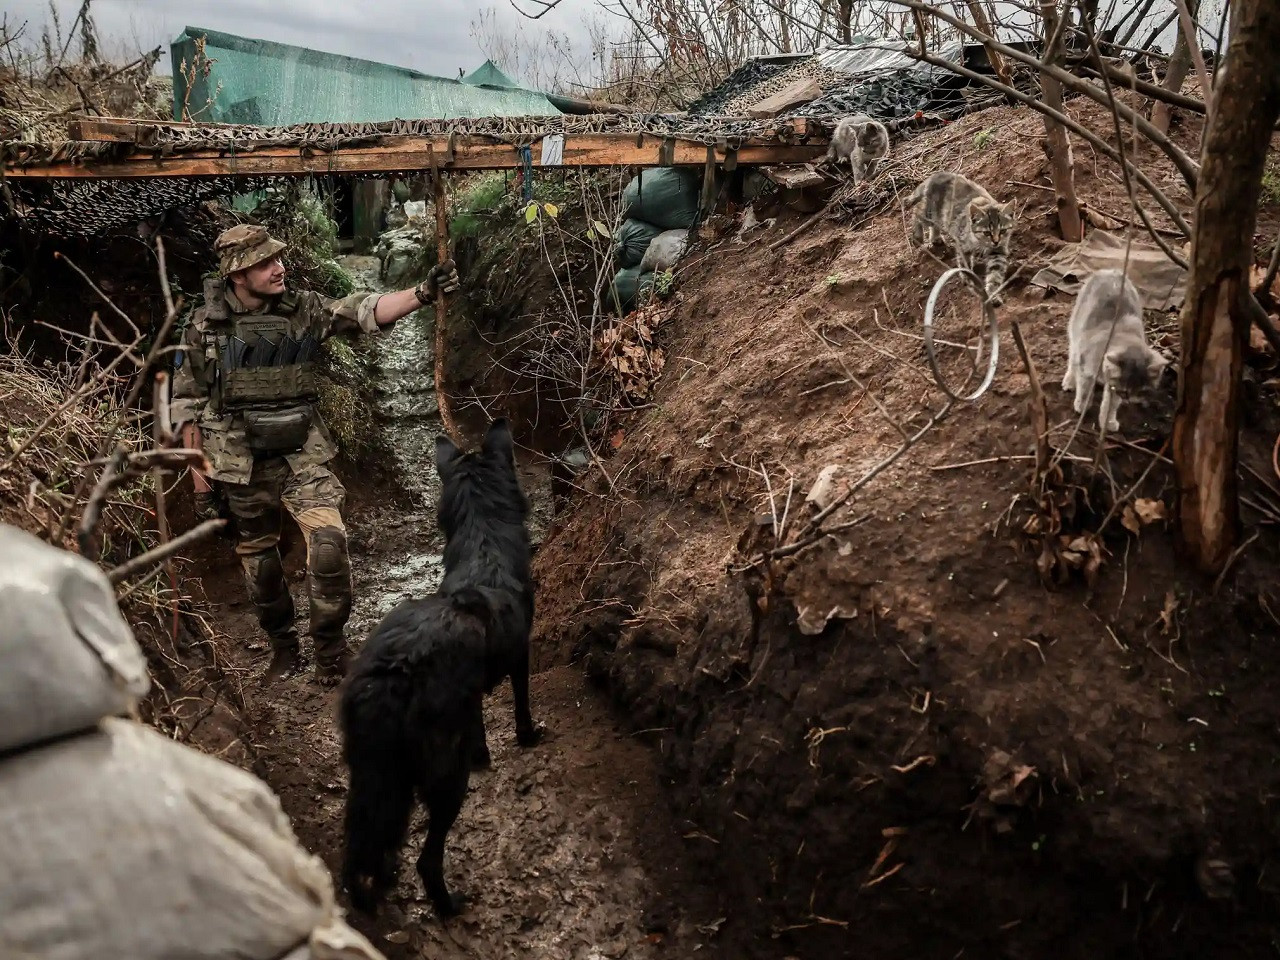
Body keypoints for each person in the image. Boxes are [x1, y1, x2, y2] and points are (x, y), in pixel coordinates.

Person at [170, 223, 459, 686]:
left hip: (302, 455)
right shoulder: (204, 327)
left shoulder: (304, 309)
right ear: (237, 275)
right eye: (263, 262)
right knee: (261, 566)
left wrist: (422, 293)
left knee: (328, 546)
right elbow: (185, 409)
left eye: (276, 258)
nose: (277, 267)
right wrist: (200, 484)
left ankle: (330, 650)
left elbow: (365, 310)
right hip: (238, 464)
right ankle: (283, 650)